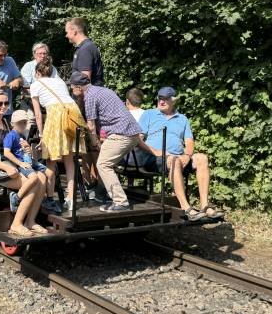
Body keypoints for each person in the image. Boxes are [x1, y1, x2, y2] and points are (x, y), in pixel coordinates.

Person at [136, 87, 224, 220]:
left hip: (179, 157)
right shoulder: (149, 114)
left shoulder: (182, 119)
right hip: (154, 158)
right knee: (174, 160)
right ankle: (185, 208)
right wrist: (156, 152)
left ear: (173, 101)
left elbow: (189, 142)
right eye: (160, 98)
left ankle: (205, 205)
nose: (162, 101)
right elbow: (138, 139)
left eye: (165, 99)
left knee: (202, 158)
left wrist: (187, 155)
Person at [69, 72, 142, 212]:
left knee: (103, 164)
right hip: (132, 132)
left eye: (72, 88)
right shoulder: (102, 90)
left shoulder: (89, 97)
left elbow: (91, 126)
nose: (72, 91)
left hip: (121, 133)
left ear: (78, 87)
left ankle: (121, 202)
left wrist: (96, 143)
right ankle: (107, 195)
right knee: (108, 163)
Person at [0, 90, 48, 237]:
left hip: (11, 165)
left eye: (6, 103)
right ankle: (16, 224)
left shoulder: (5, 121)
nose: (3, 106)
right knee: (33, 182)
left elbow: (12, 145)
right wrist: (6, 167)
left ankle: (30, 220)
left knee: (42, 177)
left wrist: (25, 148)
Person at [30, 57, 86, 211]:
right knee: (69, 159)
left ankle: (49, 197)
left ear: (38, 72)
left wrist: (41, 135)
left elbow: (38, 115)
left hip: (56, 115)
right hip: (72, 114)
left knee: (51, 160)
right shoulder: (60, 81)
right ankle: (71, 198)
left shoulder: (36, 84)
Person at [3, 110, 62, 215]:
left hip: (29, 160)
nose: (22, 125)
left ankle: (49, 199)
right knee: (34, 177)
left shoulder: (22, 136)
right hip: (22, 163)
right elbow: (6, 153)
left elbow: (27, 152)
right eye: (19, 122)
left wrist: (28, 149)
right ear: (12, 124)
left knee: (50, 173)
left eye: (24, 122)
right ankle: (16, 198)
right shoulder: (10, 136)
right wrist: (20, 163)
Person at [66, 17, 104, 86]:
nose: (66, 35)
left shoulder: (85, 49)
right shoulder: (85, 47)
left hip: (89, 95)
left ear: (74, 31)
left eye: (67, 32)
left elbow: (84, 81)